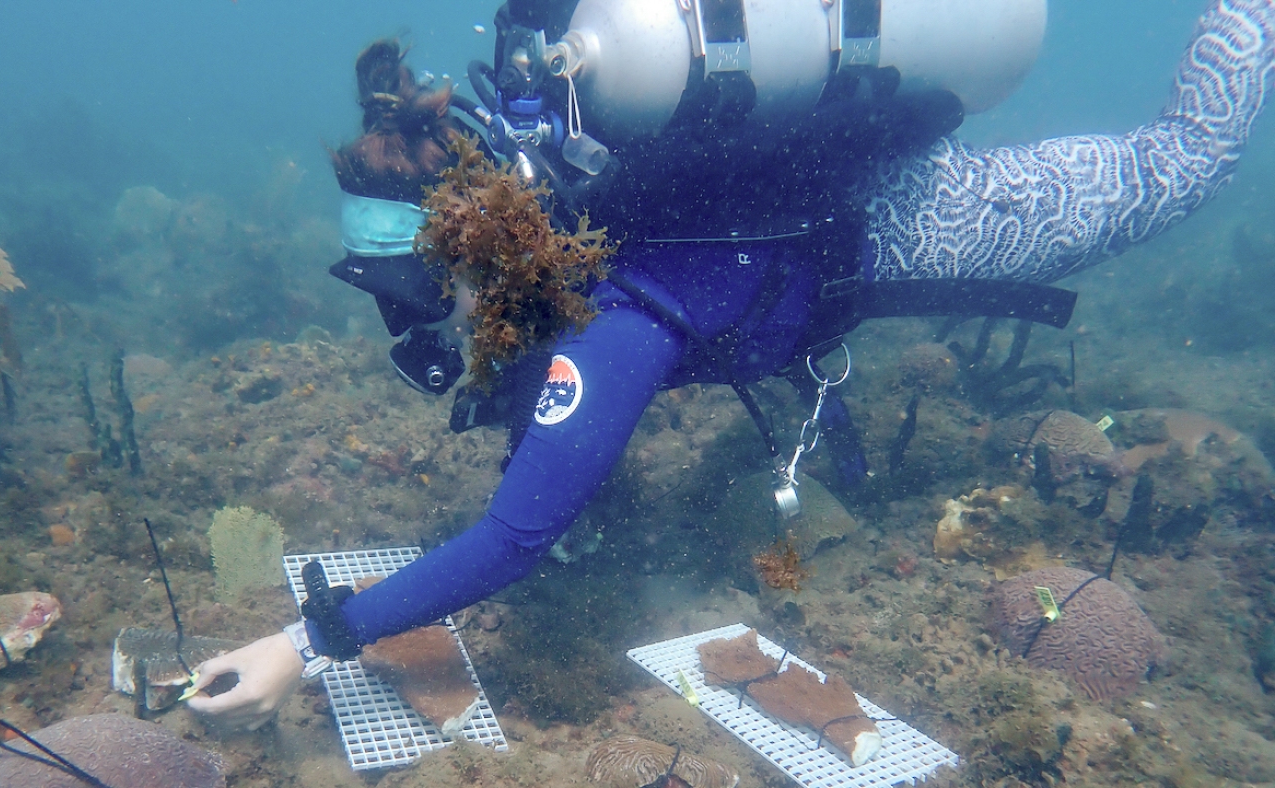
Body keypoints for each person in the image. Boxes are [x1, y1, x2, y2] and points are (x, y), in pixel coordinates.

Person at [190, 0, 1274, 730]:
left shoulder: (603, 315)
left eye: (420, 296)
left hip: (914, 220)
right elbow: (545, 413)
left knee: (1177, 167)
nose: (424, 331)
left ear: (471, 243)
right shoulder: (564, 215)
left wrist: (310, 639)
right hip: (837, 192)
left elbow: (517, 534)